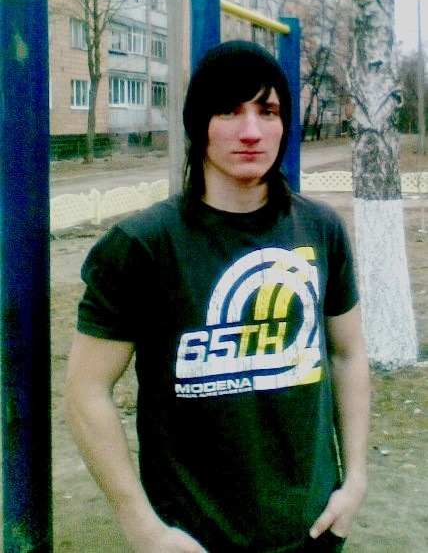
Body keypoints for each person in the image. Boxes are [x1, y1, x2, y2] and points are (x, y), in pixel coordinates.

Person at [64, 40, 370, 553]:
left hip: (313, 530)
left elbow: (347, 354)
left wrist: (355, 478)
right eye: (228, 110)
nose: (251, 131)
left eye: (267, 111)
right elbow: (85, 393)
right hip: (192, 540)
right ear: (199, 124)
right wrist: (144, 528)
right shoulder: (142, 246)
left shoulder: (321, 229)